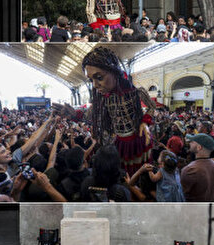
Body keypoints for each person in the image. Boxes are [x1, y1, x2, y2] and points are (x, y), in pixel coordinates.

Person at [56, 46, 155, 176]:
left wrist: (145, 122)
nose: (95, 85)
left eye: (99, 77)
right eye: (91, 80)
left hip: (138, 141)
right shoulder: (103, 99)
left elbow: (151, 106)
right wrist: (74, 114)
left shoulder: (137, 93)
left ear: (114, 72)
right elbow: (89, 114)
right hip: (119, 144)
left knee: (140, 174)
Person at [180, 133, 214, 202]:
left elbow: (181, 194)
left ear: (199, 147)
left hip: (192, 209)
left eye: (192, 142)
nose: (190, 143)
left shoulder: (190, 169)